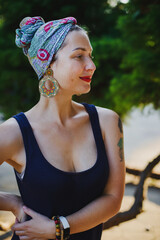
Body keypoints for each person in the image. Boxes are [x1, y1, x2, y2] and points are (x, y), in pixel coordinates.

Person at [0, 16, 125, 240]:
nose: (92, 66)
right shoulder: (14, 132)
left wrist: (59, 227)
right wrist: (10, 202)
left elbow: (113, 198)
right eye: (79, 56)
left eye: (90, 56)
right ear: (48, 64)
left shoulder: (107, 122)